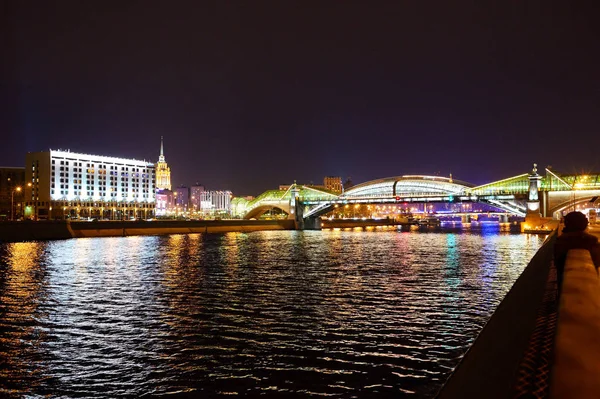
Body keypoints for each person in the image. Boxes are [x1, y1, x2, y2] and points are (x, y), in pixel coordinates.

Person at [554, 211, 600, 292]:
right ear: (584, 224)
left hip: (565, 287)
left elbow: (557, 263)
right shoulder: (592, 241)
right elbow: (597, 261)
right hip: (590, 288)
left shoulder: (560, 241)